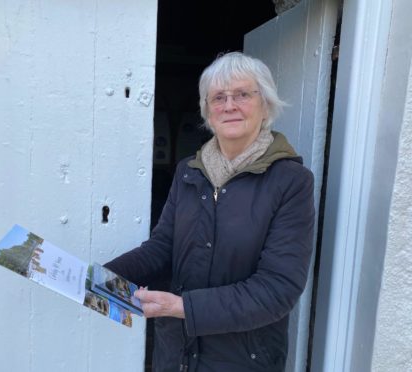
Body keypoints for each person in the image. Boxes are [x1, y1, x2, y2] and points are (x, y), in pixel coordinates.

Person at [104, 51, 315, 372]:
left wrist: (182, 307)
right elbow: (162, 248)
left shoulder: (290, 181)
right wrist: (101, 278)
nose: (229, 105)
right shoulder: (188, 172)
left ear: (266, 104)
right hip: (175, 354)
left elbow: (278, 288)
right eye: (218, 97)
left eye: (243, 94)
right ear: (207, 110)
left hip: (243, 359)